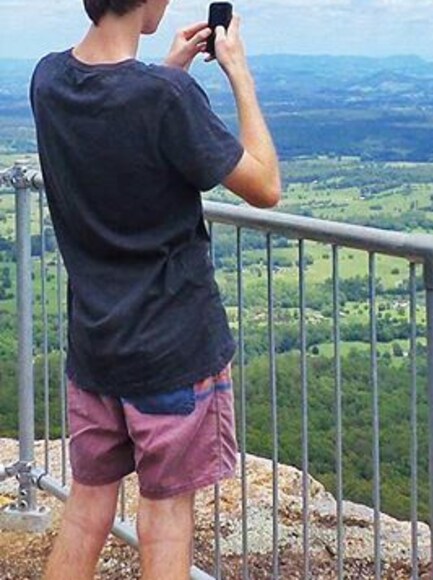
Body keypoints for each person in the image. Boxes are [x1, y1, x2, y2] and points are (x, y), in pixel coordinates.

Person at [29, 0, 280, 578]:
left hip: (96, 347)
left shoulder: (48, 79)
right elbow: (265, 184)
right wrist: (238, 72)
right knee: (165, 520)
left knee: (87, 507)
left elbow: (117, 110)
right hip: (172, 349)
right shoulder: (165, 99)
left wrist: (170, 73)